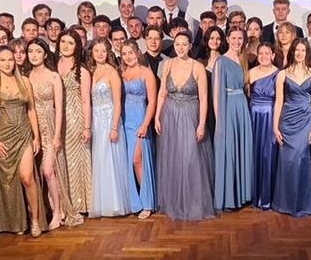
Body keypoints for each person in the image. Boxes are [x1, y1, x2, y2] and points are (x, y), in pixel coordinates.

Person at [154, 31, 215, 221]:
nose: (180, 47)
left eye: (184, 44)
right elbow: (162, 93)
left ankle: (193, 202)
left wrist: (202, 124)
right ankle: (174, 202)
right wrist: (157, 117)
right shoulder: (168, 65)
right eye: (177, 44)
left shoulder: (198, 67)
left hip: (191, 116)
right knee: (172, 159)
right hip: (169, 116)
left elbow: (204, 98)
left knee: (190, 159)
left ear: (190, 46)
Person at [0, 46, 46, 235]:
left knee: (27, 177)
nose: (7, 63)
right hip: (3, 137)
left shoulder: (24, 81)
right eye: (2, 60)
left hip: (24, 133)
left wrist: (36, 137)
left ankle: (35, 220)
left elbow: (31, 110)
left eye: (10, 59)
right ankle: (17, 223)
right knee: (8, 183)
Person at [27, 38, 83, 228]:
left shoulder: (53, 77)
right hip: (34, 127)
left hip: (51, 125)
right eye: (31, 51)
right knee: (37, 172)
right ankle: (47, 206)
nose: (34, 55)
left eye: (38, 51)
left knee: (49, 170)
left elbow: (59, 108)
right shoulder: (26, 77)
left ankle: (58, 211)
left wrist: (57, 135)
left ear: (45, 53)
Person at [271, 38, 311, 217]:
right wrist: (275, 127)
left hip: (306, 121)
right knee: (287, 161)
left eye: (303, 50)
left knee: (302, 160)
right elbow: (278, 102)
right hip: (287, 122)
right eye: (296, 50)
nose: (299, 54)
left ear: (307, 53)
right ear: (292, 52)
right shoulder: (282, 75)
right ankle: (284, 202)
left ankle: (302, 202)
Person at [86, 38, 130, 218]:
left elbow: (118, 103)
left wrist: (113, 128)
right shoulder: (92, 71)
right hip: (96, 121)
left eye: (103, 51)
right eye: (96, 51)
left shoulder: (112, 72)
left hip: (110, 119)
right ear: (92, 53)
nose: (100, 54)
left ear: (108, 52)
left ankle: (114, 204)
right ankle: (101, 203)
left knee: (110, 159)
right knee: (99, 160)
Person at [212, 27, 254, 210]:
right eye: (234, 38)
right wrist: (219, 120)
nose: (237, 41)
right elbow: (216, 94)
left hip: (241, 108)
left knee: (241, 148)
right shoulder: (220, 61)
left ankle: (242, 194)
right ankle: (228, 197)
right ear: (227, 39)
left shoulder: (243, 60)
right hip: (227, 107)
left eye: (240, 38)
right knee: (228, 150)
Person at [119, 40, 157, 218]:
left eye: (131, 52)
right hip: (125, 120)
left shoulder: (146, 72)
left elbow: (152, 102)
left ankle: (147, 203)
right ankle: (135, 202)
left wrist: (145, 124)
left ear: (137, 53)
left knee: (137, 160)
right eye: (125, 53)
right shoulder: (121, 72)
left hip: (140, 119)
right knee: (128, 162)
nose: (128, 57)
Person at [57, 29, 93, 213]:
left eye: (70, 43)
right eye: (63, 41)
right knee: (62, 159)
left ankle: (81, 203)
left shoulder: (81, 69)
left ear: (77, 46)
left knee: (78, 159)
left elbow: (86, 100)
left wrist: (87, 127)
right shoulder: (53, 65)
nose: (66, 46)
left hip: (76, 117)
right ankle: (65, 203)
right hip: (57, 119)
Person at [247, 43, 280, 210]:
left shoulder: (279, 74)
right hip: (253, 117)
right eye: (261, 53)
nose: (264, 56)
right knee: (254, 152)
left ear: (273, 55)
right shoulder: (250, 73)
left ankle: (267, 196)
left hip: (270, 117)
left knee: (269, 154)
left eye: (267, 53)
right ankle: (253, 194)